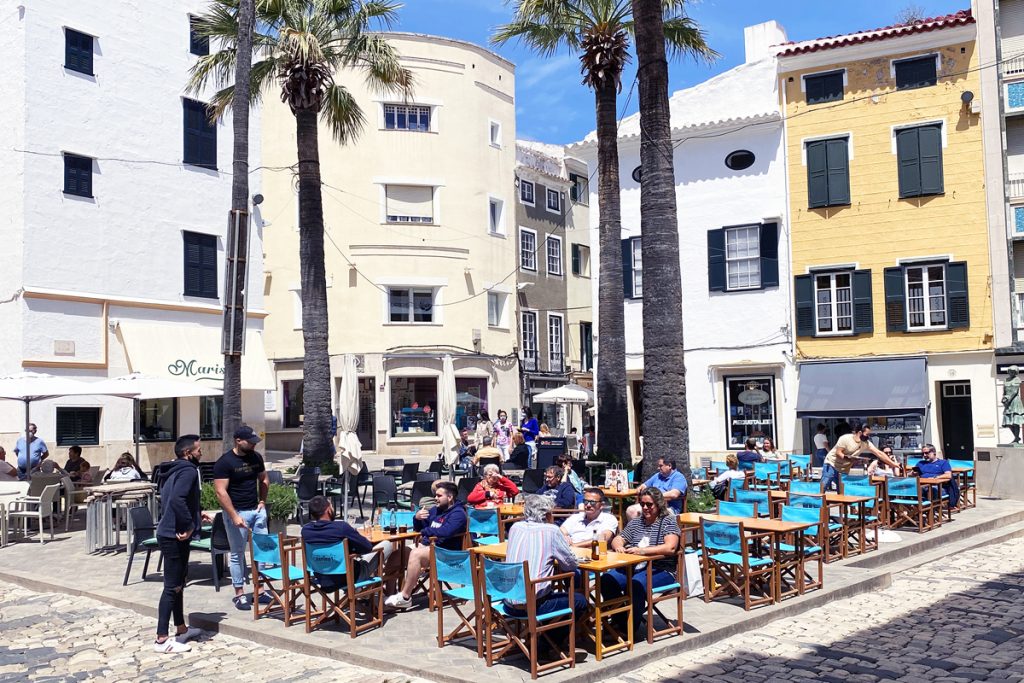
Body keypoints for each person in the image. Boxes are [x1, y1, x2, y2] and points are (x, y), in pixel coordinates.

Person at [153, 434, 210, 653]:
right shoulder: (188, 471)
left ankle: (181, 628)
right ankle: (161, 639)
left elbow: (173, 500)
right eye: (198, 450)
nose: (201, 453)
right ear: (188, 453)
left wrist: (196, 514)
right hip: (174, 535)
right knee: (171, 587)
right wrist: (188, 525)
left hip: (168, 531)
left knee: (178, 584)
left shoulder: (172, 469)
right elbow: (177, 499)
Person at [601, 488, 681, 639]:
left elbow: (670, 547)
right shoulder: (637, 522)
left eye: (649, 505)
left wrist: (643, 551)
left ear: (658, 505)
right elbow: (620, 538)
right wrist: (618, 546)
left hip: (661, 569)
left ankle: (628, 628)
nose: (645, 508)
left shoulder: (668, 521)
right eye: (642, 504)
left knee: (636, 584)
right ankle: (619, 621)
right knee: (607, 579)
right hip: (634, 567)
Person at [503, 495, 589, 631]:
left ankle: (539, 635)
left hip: (508, 602)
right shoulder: (552, 531)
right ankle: (547, 642)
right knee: (580, 600)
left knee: (550, 592)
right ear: (548, 514)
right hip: (533, 605)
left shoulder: (515, 527)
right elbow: (570, 565)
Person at [213, 425, 270, 611]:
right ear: (238, 440)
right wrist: (234, 515)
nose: (254, 445)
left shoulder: (256, 457)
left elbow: (263, 479)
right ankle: (239, 593)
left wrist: (262, 501)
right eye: (251, 442)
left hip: (256, 510)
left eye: (255, 442)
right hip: (238, 513)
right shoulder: (225, 462)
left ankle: (260, 590)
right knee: (237, 553)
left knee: (261, 551)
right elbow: (220, 492)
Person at [385, 481, 467, 610]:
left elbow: (446, 532)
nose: (435, 498)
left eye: (439, 496)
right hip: (429, 546)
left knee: (415, 554)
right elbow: (420, 528)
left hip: (446, 552)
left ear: (450, 497)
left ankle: (405, 597)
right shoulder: (435, 510)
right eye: (435, 495)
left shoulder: (458, 513)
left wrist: (425, 532)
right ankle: (390, 595)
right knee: (396, 555)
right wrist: (417, 518)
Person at [301, 495, 403, 593]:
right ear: (328, 510)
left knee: (353, 558)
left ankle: (363, 593)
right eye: (331, 506)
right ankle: (369, 591)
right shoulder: (341, 527)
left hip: (321, 578)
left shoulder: (305, 531)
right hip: (347, 577)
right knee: (387, 544)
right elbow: (367, 547)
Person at [822, 422, 899, 492]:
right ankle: (817, 503)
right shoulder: (845, 439)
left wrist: (893, 464)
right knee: (824, 484)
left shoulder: (866, 443)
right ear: (859, 432)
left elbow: (879, 453)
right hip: (831, 464)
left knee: (843, 489)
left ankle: (845, 505)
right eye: (867, 434)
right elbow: (839, 453)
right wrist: (849, 459)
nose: (868, 437)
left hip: (843, 468)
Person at [912, 444, 959, 508]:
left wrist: (935, 477)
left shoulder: (943, 463)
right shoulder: (920, 463)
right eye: (923, 453)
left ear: (934, 452)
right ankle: (913, 511)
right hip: (922, 486)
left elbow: (948, 475)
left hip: (938, 487)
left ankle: (930, 513)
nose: (924, 455)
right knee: (909, 489)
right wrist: (913, 473)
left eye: (926, 453)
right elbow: (913, 474)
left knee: (931, 490)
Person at [1003, 366, 1024, 444]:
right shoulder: (1006, 380)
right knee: (1008, 421)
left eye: (1013, 372)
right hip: (1008, 401)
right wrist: (1004, 399)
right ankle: (1016, 437)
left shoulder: (1017, 380)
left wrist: (1008, 400)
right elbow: (1004, 391)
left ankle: (1016, 438)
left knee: (1015, 421)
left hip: (1014, 401)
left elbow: (1015, 392)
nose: (1011, 373)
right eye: (1010, 371)